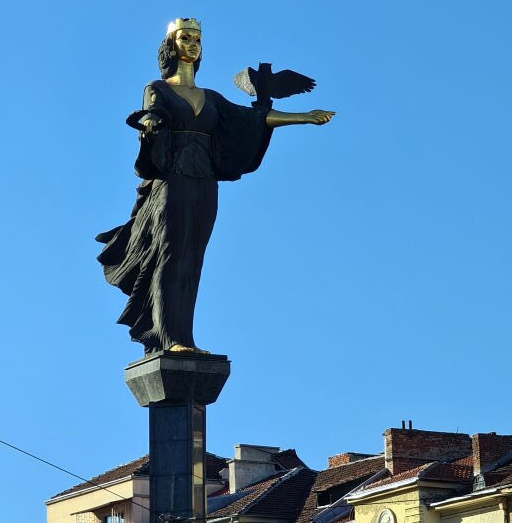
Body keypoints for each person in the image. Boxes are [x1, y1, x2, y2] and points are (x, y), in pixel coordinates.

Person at [96, 18, 334, 354]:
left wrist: (304, 117)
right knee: (171, 254)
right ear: (170, 46)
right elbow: (151, 113)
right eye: (185, 38)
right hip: (172, 179)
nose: (193, 44)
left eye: (197, 39)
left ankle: (184, 339)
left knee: (193, 259)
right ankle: (167, 338)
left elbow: (252, 119)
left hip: (204, 181)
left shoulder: (212, 98)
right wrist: (149, 124)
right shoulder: (158, 89)